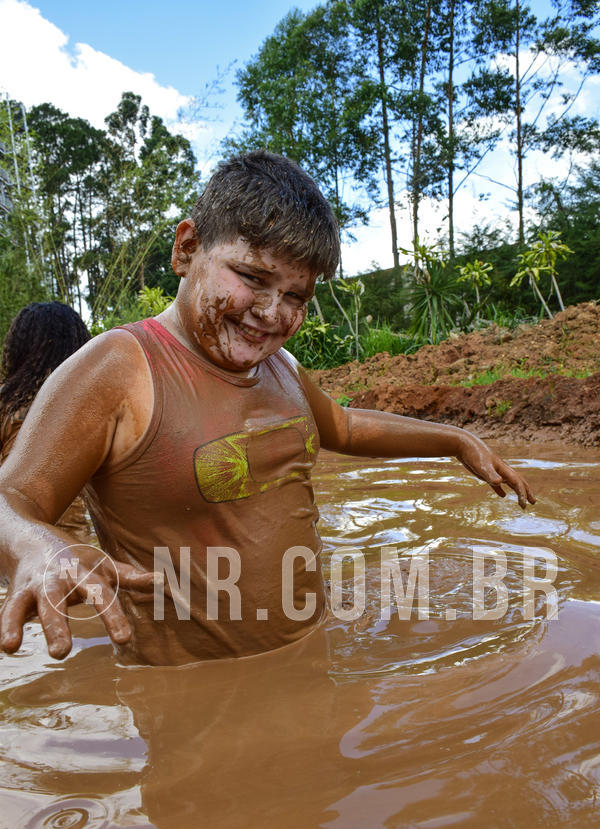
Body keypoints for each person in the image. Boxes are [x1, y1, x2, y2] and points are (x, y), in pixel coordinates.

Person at [0, 151, 535, 666]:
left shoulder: (282, 368)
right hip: (190, 699)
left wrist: (454, 440)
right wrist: (41, 548)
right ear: (187, 248)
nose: (270, 313)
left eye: (296, 296)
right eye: (252, 278)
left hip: (310, 659)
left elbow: (345, 427)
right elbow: (12, 496)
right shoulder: (120, 367)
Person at [0, 301, 92, 544]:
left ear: (18, 347)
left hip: (19, 551)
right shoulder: (99, 404)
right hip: (89, 555)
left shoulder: (6, 402)